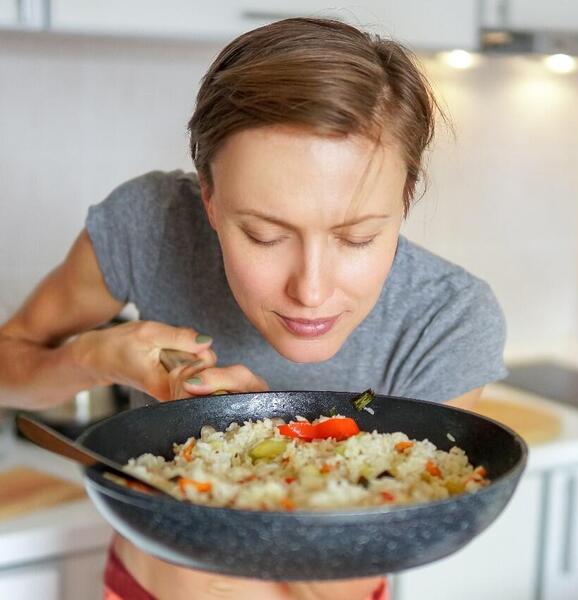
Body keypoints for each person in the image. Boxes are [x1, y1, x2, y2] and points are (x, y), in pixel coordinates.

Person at [0, 17, 506, 600]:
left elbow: (366, 557)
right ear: (210, 199)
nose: (310, 291)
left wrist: (261, 434)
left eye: (357, 238)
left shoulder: (447, 320)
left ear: (406, 200)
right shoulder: (151, 225)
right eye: (265, 235)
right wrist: (93, 357)